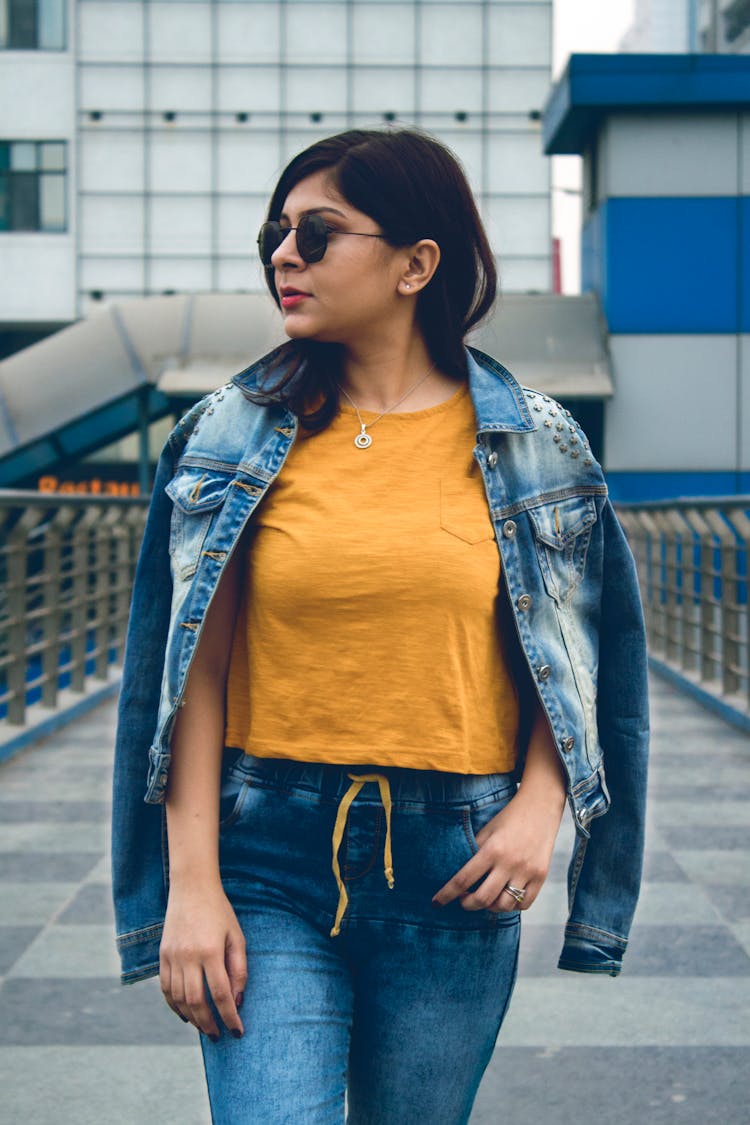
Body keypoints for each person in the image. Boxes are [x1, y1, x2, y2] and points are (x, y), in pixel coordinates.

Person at [111, 128, 649, 1124]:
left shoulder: (536, 442)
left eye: (317, 233)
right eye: (276, 232)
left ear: (416, 263)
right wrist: (189, 886)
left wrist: (541, 807)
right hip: (264, 855)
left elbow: (578, 656)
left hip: (457, 865)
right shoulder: (228, 434)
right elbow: (192, 678)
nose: (284, 253)